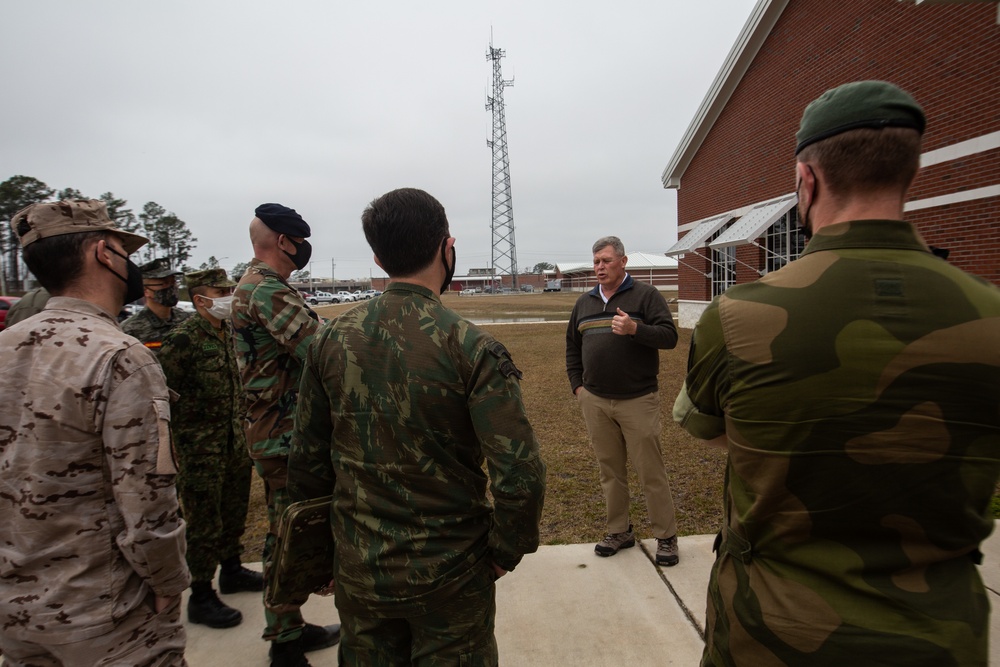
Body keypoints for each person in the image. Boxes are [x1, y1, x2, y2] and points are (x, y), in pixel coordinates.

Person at [673, 81, 1000, 666]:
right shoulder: (989, 317)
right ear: (909, 173)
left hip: (773, 636)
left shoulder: (740, 316)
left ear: (808, 179)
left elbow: (713, 430)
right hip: (938, 640)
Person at [288, 187, 546, 665]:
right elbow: (521, 473)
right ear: (447, 248)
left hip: (361, 572)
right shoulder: (470, 347)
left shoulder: (329, 341)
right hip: (451, 577)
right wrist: (503, 551)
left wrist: (318, 557)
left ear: (378, 257)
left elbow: (306, 464)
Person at [0, 199, 190, 665]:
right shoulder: (121, 357)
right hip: (106, 615)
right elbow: (147, 501)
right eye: (126, 252)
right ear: (105, 253)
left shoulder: (5, 347)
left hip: (17, 616)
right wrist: (168, 584)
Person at [231, 203, 339, 667]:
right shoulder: (266, 291)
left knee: (285, 530)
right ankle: (285, 643)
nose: (303, 249)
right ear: (282, 242)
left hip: (276, 430)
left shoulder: (260, 286)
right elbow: (319, 350)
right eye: (298, 240)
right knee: (290, 533)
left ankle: (287, 627)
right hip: (283, 434)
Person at [565, 236, 681, 566]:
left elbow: (670, 337)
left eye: (605, 260)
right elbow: (573, 347)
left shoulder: (646, 296)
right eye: (596, 262)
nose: (599, 267)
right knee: (610, 471)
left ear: (623, 261)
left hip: (638, 399)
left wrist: (635, 329)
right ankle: (620, 531)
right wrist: (578, 387)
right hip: (596, 401)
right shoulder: (584, 303)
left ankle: (666, 537)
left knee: (650, 472)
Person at [159, 268, 264, 630]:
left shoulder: (229, 332)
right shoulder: (182, 340)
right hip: (200, 448)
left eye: (229, 289)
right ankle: (201, 595)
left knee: (233, 511)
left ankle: (231, 570)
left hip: (234, 441)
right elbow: (162, 396)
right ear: (200, 299)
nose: (228, 296)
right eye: (220, 291)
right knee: (204, 521)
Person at [121, 257, 192, 351]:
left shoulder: (187, 320)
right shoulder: (130, 329)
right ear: (146, 291)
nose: (171, 287)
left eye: (173, 282)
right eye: (164, 283)